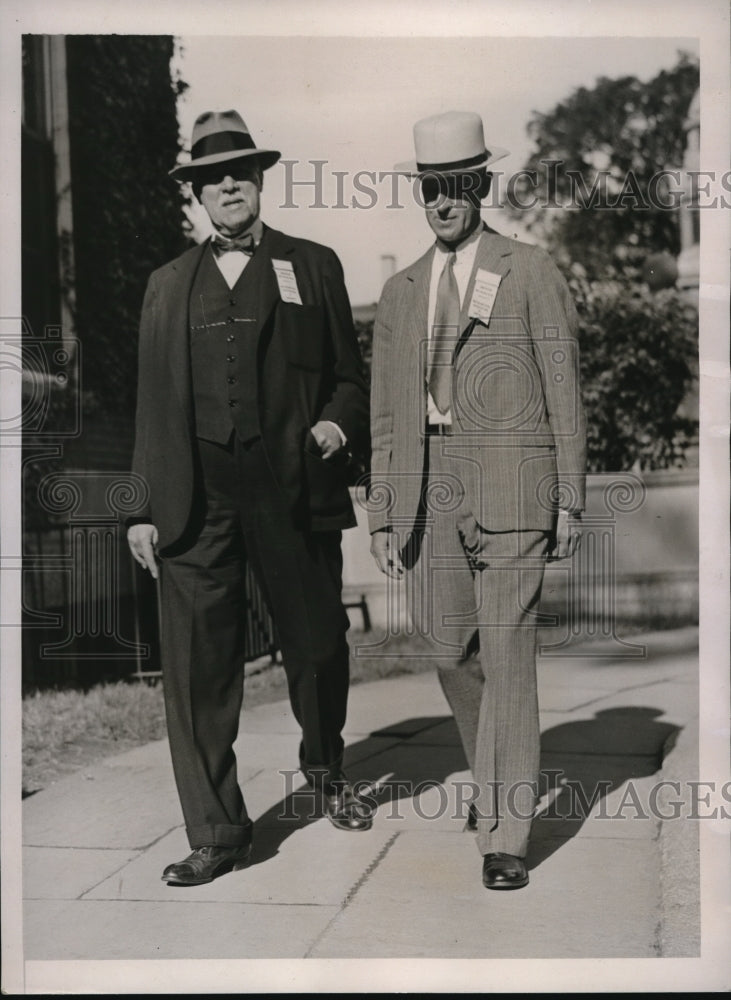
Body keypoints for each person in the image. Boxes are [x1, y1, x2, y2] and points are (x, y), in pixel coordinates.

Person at [127, 109, 372, 887]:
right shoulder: (167, 285)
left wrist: (334, 426)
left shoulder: (314, 264)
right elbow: (150, 404)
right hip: (193, 499)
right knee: (198, 666)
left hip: (290, 487)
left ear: (259, 180)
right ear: (196, 192)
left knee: (318, 645)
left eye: (239, 171)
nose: (227, 184)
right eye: (211, 176)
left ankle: (327, 770)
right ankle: (218, 830)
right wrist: (141, 504)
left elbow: (348, 379)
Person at [369, 111, 586, 890]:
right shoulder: (398, 292)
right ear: (420, 195)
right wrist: (387, 507)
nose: (444, 202)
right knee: (448, 648)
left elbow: (562, 384)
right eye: (431, 189)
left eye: (458, 185)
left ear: (480, 185)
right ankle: (494, 780)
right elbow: (387, 413)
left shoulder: (527, 269)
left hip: (513, 481)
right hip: (429, 486)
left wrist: (568, 492)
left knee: (506, 651)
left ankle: (505, 833)